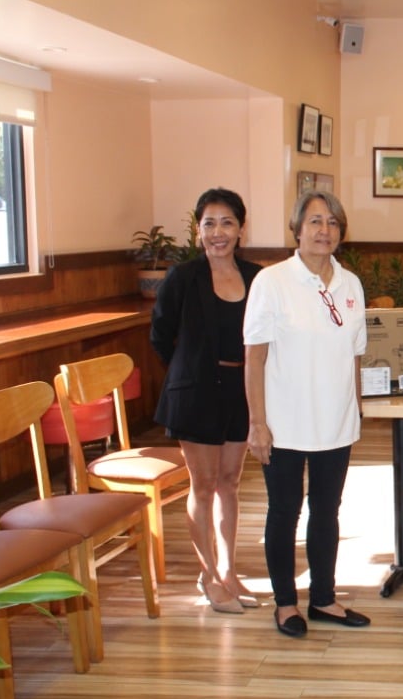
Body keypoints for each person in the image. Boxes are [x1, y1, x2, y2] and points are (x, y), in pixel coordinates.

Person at [244, 190, 371, 638]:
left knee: (327, 510)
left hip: (334, 420)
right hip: (284, 421)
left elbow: (355, 354)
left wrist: (354, 406)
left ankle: (323, 599)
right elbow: (254, 358)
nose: (324, 230)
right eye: (315, 221)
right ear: (296, 229)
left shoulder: (350, 284)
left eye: (333, 223)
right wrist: (257, 423)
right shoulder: (272, 282)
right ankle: (284, 604)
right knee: (284, 511)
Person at [150, 188, 262, 614]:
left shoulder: (256, 277)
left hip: (240, 392)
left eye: (227, 223)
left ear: (241, 229)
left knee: (230, 483)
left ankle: (230, 570)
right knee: (203, 484)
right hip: (195, 393)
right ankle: (208, 574)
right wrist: (187, 370)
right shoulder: (184, 277)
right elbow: (161, 337)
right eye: (209, 223)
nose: (218, 232)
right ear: (198, 230)